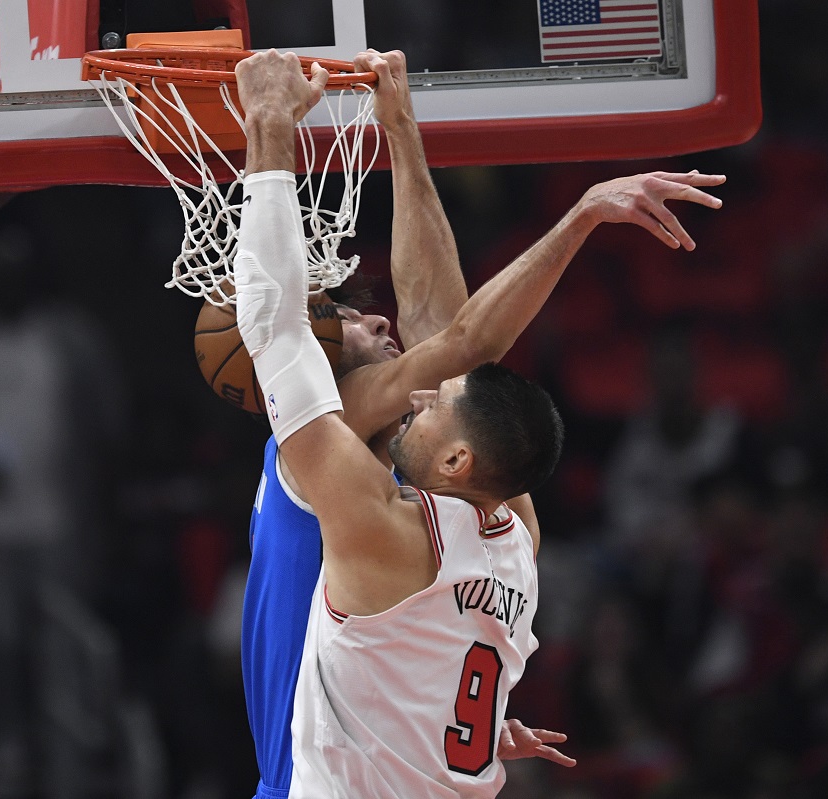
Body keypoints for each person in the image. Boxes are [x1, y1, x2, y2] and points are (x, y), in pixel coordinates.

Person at [238, 49, 728, 797]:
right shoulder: (511, 539)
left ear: (461, 460)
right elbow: (454, 336)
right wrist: (400, 132)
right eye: (355, 323)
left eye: (438, 401)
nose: (422, 392)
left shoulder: (384, 520)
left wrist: (270, 126)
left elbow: (283, 330)